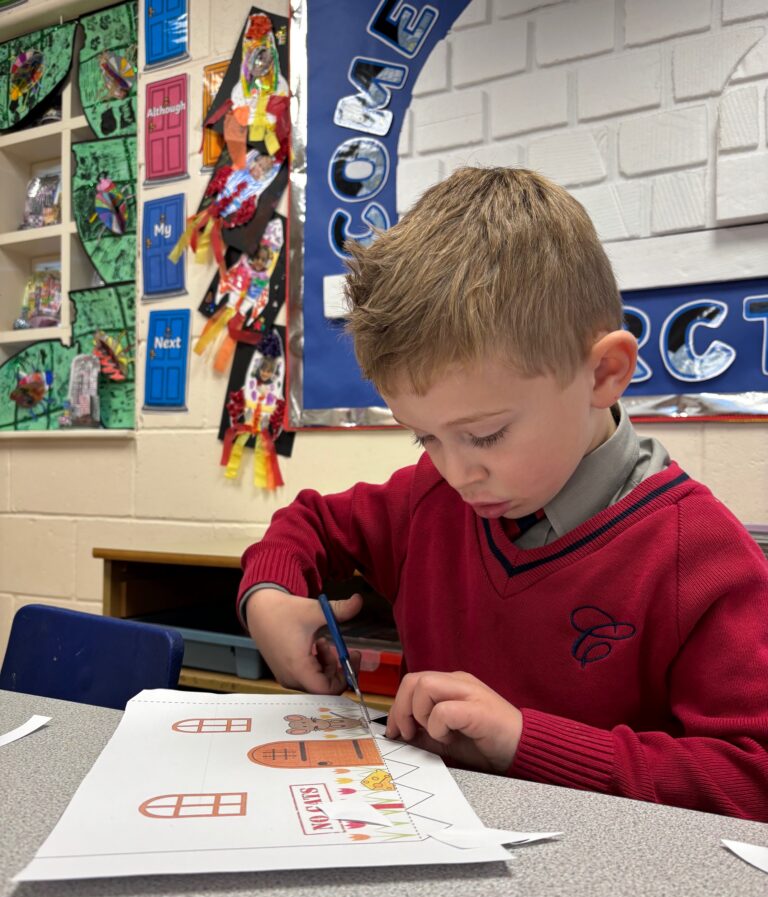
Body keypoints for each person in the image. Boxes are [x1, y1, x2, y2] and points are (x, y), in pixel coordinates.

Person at [239, 167, 768, 822]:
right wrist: (268, 595)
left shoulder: (702, 559)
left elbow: (751, 778)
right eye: (425, 438)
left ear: (604, 373)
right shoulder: (429, 499)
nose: (458, 473)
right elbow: (310, 524)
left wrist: (524, 740)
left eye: (485, 435)